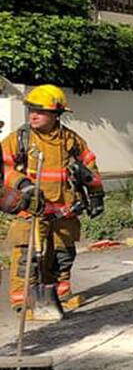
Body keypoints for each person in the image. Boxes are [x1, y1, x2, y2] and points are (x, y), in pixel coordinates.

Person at [3, 85, 104, 315]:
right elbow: (3, 167)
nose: (33, 116)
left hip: (63, 210)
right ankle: (23, 303)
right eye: (31, 110)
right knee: (26, 256)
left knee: (62, 255)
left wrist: (97, 194)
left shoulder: (70, 140)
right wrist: (22, 183)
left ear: (56, 114)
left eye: (40, 111)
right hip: (30, 209)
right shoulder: (20, 139)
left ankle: (59, 296)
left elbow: (90, 166)